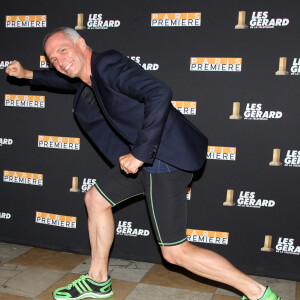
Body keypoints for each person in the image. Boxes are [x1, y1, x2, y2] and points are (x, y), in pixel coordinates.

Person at [6, 27, 281, 300]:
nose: (58, 60)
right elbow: (62, 80)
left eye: (62, 50)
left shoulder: (108, 65)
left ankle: (259, 294)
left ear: (81, 44)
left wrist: (140, 153)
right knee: (96, 199)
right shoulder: (85, 76)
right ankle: (98, 281)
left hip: (164, 157)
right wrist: (27, 74)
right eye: (52, 58)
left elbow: (159, 92)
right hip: (149, 158)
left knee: (174, 252)